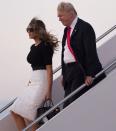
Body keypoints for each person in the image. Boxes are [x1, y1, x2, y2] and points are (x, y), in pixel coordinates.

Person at [10, 17, 58, 131]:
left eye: (31, 29)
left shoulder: (46, 46)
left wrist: (49, 93)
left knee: (28, 114)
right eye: (28, 29)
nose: (29, 32)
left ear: (38, 30)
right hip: (32, 82)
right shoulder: (32, 47)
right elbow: (34, 67)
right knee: (14, 111)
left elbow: (49, 70)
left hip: (42, 82)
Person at [57, 2, 106, 108]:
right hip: (69, 72)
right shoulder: (66, 30)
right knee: (66, 106)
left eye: (61, 15)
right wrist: (63, 74)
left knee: (72, 105)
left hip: (80, 70)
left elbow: (90, 52)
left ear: (70, 13)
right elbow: (64, 53)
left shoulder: (85, 27)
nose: (59, 19)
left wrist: (90, 74)